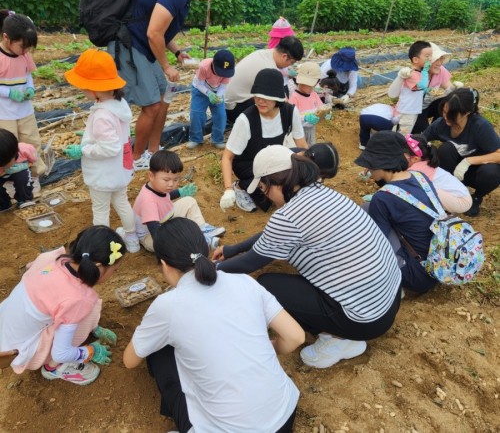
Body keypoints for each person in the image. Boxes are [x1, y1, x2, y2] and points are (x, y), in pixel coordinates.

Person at [216, 145, 402, 369]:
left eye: (264, 190)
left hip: (363, 319)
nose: (267, 197)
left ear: (276, 182)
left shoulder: (288, 216)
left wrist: (207, 270)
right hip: (387, 301)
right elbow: (272, 235)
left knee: (269, 284)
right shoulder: (320, 191)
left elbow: (250, 262)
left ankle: (337, 339)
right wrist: (232, 249)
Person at [123, 217, 304, 432]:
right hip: (284, 415)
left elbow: (130, 360)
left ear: (164, 264)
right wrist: (269, 346)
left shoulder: (167, 306)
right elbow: (296, 337)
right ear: (207, 249)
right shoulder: (243, 281)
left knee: (158, 352)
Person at [106, 0, 227, 169]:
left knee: (164, 95)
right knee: (152, 105)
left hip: (142, 47)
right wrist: (166, 66)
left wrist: (177, 52)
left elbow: (161, 29)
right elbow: (153, 33)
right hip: (130, 46)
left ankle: (153, 150)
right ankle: (135, 159)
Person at [0, 226, 127, 385]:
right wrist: (90, 351)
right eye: (114, 270)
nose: (114, 273)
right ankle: (53, 368)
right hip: (18, 349)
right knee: (83, 308)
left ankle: (88, 327)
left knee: (83, 308)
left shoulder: (53, 257)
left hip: (6, 325)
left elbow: (30, 267)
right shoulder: (77, 299)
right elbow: (61, 352)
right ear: (100, 267)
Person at [62, 49, 140, 253]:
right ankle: (132, 239)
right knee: (122, 202)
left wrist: (84, 149)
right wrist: (89, 134)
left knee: (100, 209)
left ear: (95, 88)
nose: (82, 91)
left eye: (84, 87)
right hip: (120, 171)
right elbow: (113, 136)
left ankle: (103, 246)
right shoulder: (118, 104)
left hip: (104, 174)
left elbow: (109, 147)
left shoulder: (102, 115)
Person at [355, 131, 442, 294]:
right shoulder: (420, 177)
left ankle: (392, 282)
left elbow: (376, 244)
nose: (367, 169)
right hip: (440, 263)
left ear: (382, 162)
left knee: (368, 220)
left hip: (417, 275)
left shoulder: (383, 198)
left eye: (370, 164)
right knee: (368, 207)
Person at [220, 68, 307, 213]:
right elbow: (227, 157)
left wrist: (306, 176)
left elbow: (302, 146)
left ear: (277, 97)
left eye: (266, 97)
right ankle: (240, 186)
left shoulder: (290, 112)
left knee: (289, 182)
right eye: (257, 96)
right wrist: (228, 189)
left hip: (273, 159)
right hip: (249, 165)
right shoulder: (246, 120)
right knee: (266, 199)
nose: (260, 101)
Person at [423, 88, 500, 217]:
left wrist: (468, 161)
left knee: (492, 172)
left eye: (452, 114)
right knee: (445, 148)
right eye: (444, 112)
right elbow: (421, 140)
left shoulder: (480, 126)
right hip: (453, 171)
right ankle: (451, 190)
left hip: (476, 171)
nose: (446, 117)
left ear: (467, 113)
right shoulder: (441, 124)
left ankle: (476, 197)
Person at [132, 150, 225, 252]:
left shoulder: (157, 186)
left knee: (189, 202)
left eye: (176, 180)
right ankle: (200, 243)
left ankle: (202, 229)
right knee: (176, 238)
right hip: (150, 236)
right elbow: (156, 234)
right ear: (151, 176)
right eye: (166, 180)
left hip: (164, 219)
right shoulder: (148, 202)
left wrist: (180, 192)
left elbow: (163, 197)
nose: (171, 184)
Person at [0, 10, 46, 195]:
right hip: (4, 113)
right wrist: (8, 92)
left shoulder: (24, 55)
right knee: (9, 148)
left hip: (25, 111)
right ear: (6, 38)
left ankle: (34, 176)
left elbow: (27, 74)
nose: (26, 51)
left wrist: (30, 88)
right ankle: (10, 179)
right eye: (23, 46)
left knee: (32, 141)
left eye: (29, 48)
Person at [224, 36, 304, 123]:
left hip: (227, 102)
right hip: (234, 109)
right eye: (291, 62)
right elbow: (282, 100)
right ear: (284, 57)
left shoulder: (263, 53)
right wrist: (297, 117)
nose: (289, 66)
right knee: (274, 106)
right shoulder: (269, 68)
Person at [389, 42, 464, 134]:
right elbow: (393, 94)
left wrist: (454, 88)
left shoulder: (440, 71)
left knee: (447, 101)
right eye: (436, 60)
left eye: (441, 60)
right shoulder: (413, 74)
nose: (439, 63)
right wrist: (401, 76)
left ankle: (438, 129)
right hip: (414, 110)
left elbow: (450, 91)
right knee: (416, 132)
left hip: (428, 106)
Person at [405, 134, 472, 214]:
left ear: (415, 158)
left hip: (461, 201)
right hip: (461, 194)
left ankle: (440, 212)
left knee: (422, 189)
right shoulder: (425, 162)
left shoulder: (416, 170)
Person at [186, 49, 235, 150]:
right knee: (196, 114)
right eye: (220, 71)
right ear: (213, 64)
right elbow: (199, 84)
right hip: (200, 90)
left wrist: (218, 96)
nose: (222, 74)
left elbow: (223, 86)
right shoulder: (204, 66)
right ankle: (195, 138)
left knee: (221, 115)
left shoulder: (228, 71)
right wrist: (209, 94)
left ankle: (217, 139)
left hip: (217, 91)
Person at [388, 40, 432, 135]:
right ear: (415, 59)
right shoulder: (412, 74)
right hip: (407, 111)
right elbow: (422, 86)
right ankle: (397, 148)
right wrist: (425, 70)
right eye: (427, 56)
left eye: (431, 56)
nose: (430, 59)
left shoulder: (419, 74)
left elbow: (422, 90)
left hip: (411, 110)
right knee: (402, 134)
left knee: (404, 132)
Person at [288, 62, 329, 145]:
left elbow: (321, 107)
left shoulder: (314, 95)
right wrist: (305, 118)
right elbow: (291, 118)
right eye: (303, 83)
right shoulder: (294, 97)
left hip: (311, 129)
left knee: (310, 148)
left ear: (317, 82)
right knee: (300, 150)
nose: (306, 86)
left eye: (309, 84)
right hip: (298, 132)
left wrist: (326, 113)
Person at [0, 128, 36, 210]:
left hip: (20, 168)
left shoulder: (25, 150)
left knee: (23, 178)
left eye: (5, 164)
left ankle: (24, 199)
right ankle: (4, 203)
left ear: (15, 153)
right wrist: (4, 171)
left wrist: (24, 166)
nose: (4, 166)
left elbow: (32, 161)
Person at [268, 16, 296, 96]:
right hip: (277, 86)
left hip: (283, 84)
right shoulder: (275, 53)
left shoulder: (274, 49)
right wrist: (289, 73)